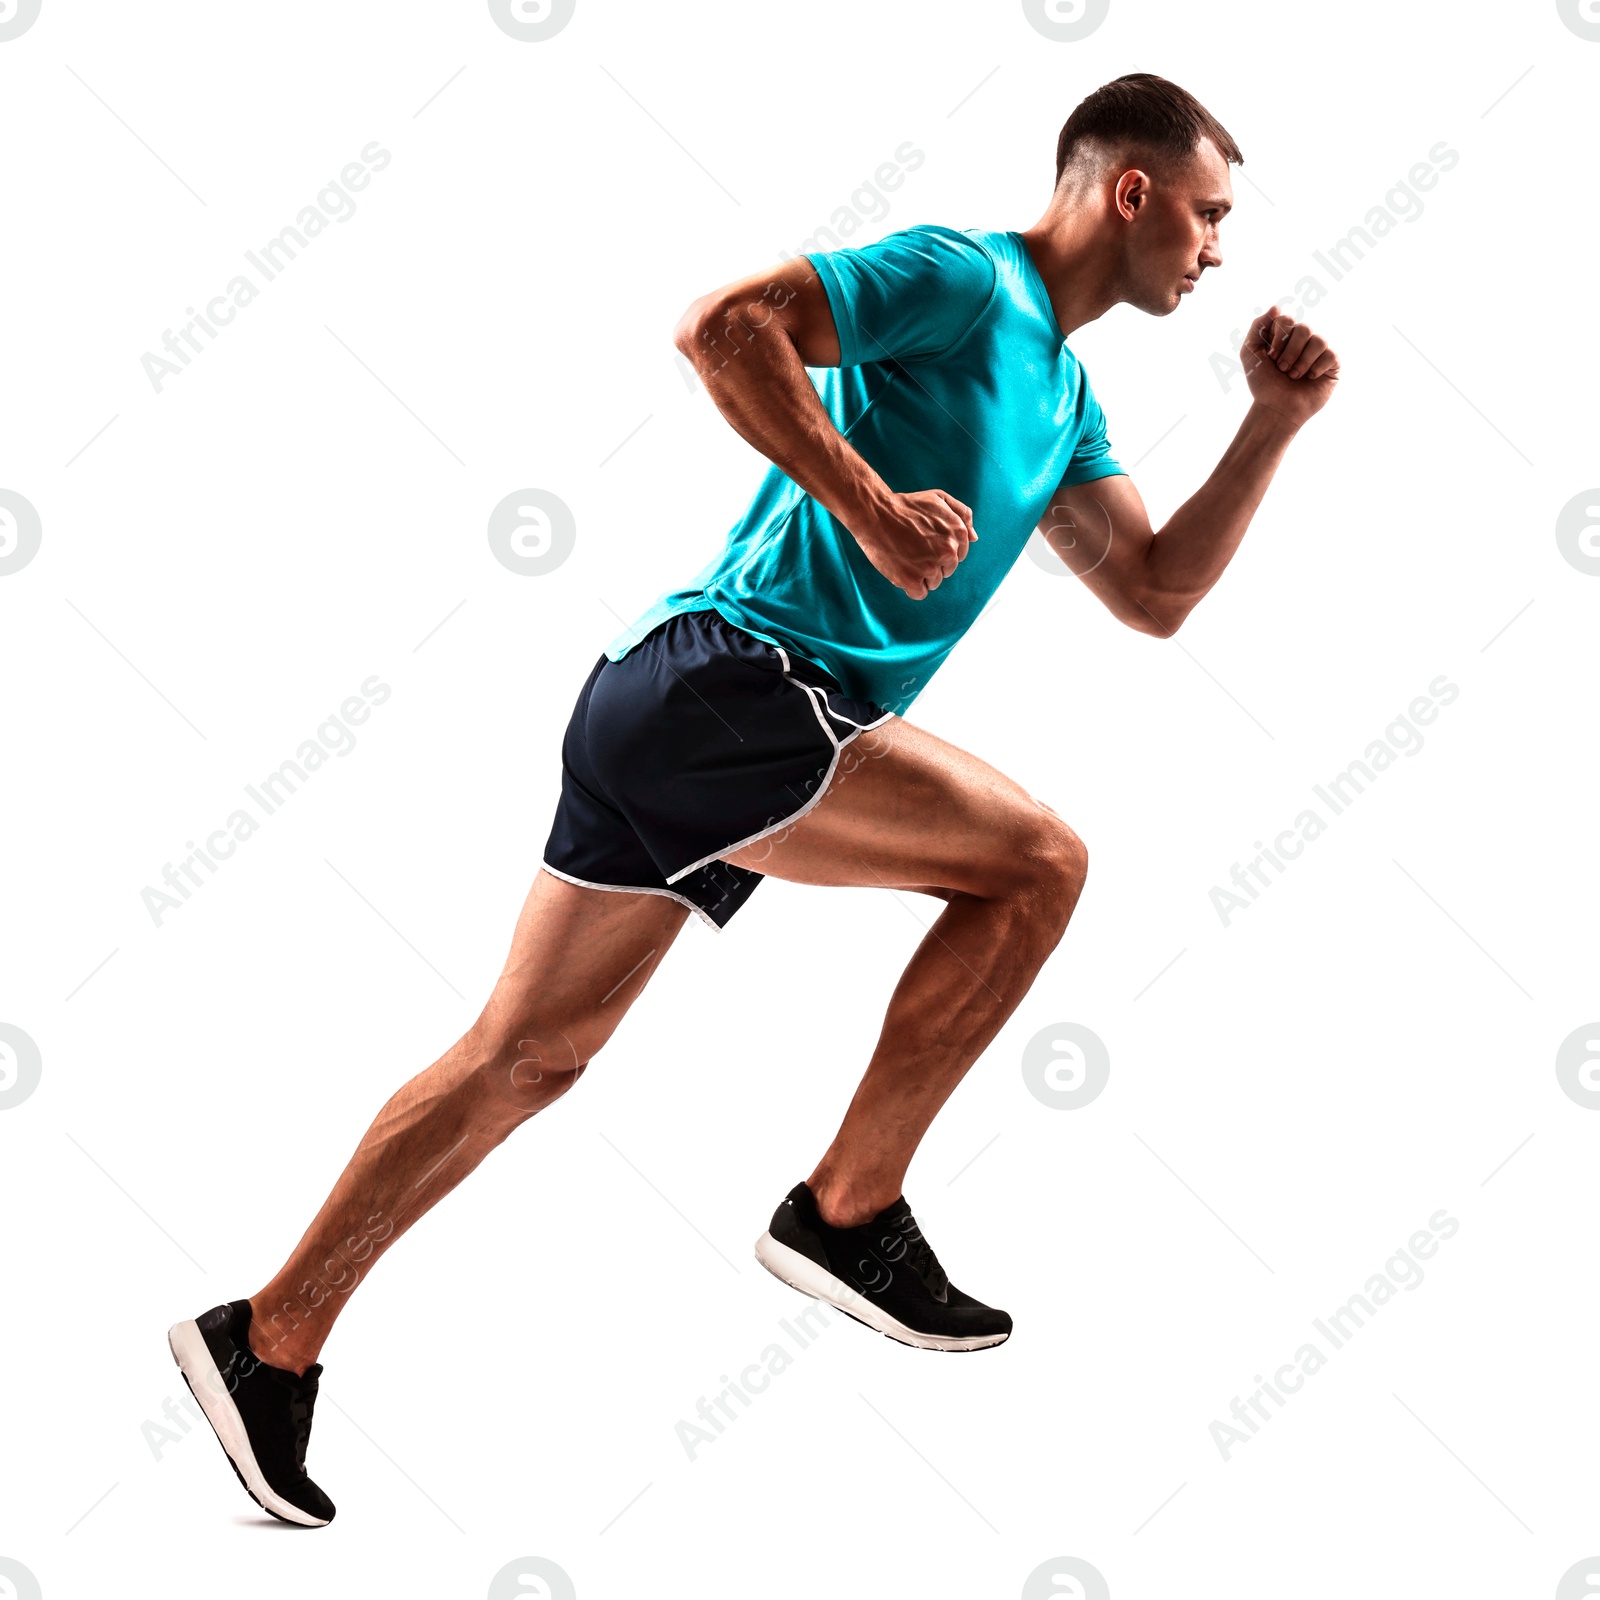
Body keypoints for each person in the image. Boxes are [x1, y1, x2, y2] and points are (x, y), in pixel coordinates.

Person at [168, 71, 1339, 1526]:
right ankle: (848, 1211)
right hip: (736, 688)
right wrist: (867, 503)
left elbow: (1155, 592)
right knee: (1039, 864)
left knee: (525, 1059)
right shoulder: (966, 279)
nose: (1217, 250)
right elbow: (724, 328)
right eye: (1210, 216)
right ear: (1132, 191)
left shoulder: (1066, 395)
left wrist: (1273, 423)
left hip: (677, 715)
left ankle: (267, 1341)